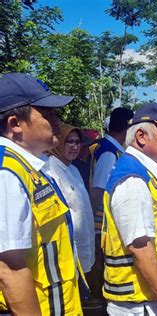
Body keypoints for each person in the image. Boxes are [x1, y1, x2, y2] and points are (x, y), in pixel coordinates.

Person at [0, 73, 85, 315]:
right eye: (48, 114)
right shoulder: (7, 174)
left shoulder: (31, 168)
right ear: (15, 124)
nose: (57, 121)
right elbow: (8, 269)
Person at [102, 102, 157, 315]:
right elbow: (139, 246)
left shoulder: (148, 174)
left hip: (156, 298)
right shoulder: (132, 179)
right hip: (144, 305)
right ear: (141, 137)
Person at [88, 107, 133, 300]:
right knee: (101, 275)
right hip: (101, 227)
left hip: (102, 225)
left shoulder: (110, 149)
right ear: (127, 128)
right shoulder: (109, 153)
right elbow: (98, 191)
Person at [48, 124, 96, 277]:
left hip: (84, 241)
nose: (75, 146)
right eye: (69, 142)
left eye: (77, 142)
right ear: (59, 142)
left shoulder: (74, 169)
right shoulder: (50, 170)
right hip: (67, 249)